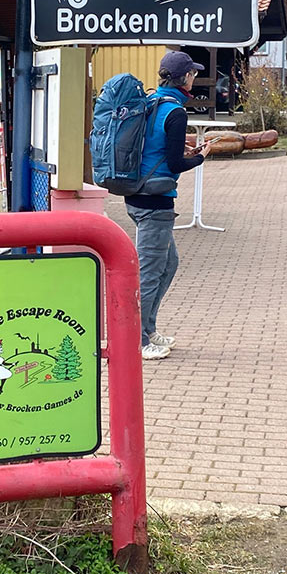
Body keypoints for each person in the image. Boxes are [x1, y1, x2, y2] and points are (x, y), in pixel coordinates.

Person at [127, 51, 211, 360]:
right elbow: (175, 162)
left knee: (169, 263)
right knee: (149, 272)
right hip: (155, 202)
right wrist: (201, 156)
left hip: (137, 196)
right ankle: (137, 340)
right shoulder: (175, 112)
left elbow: (154, 146)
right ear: (186, 78)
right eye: (193, 74)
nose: (195, 78)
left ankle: (148, 328)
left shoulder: (151, 102)